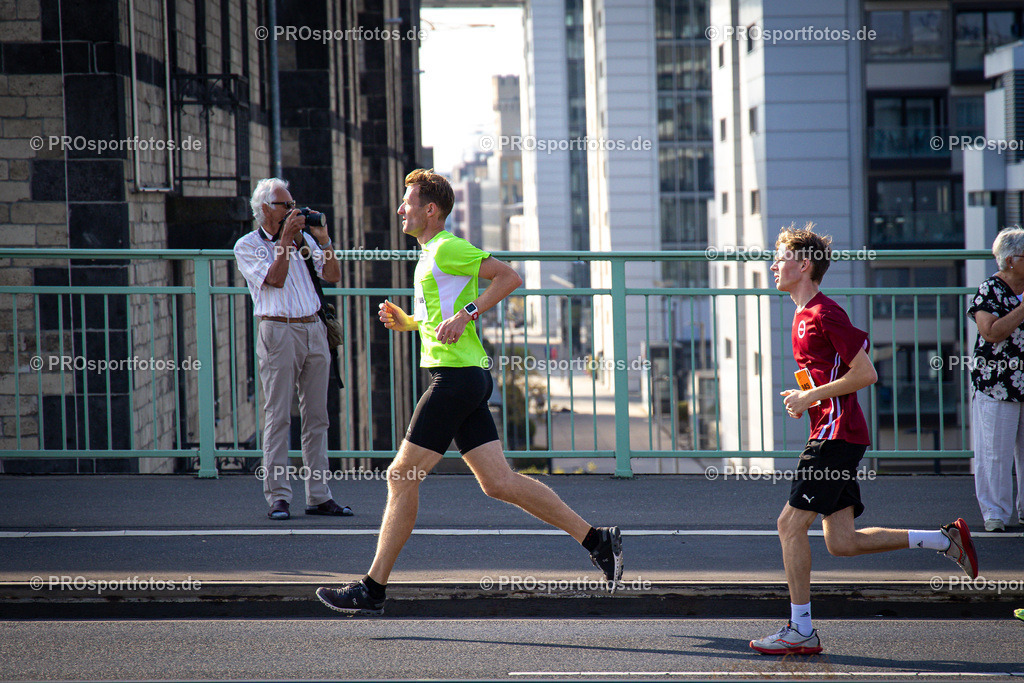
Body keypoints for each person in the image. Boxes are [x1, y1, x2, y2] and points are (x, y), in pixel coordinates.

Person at [315, 169, 622, 615]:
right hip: (466, 375)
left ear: (430, 210)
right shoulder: (428, 255)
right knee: (499, 483)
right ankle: (597, 541)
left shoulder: (447, 247)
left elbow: (509, 277)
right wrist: (410, 323)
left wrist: (468, 313)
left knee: (401, 475)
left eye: (408, 203)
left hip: (456, 379)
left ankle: (372, 589)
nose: (400, 210)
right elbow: (439, 315)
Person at [750, 223, 979, 656]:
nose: (773, 266)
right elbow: (832, 377)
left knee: (789, 525)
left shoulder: (824, 313)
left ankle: (801, 630)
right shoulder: (801, 315)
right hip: (834, 432)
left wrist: (808, 397)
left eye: (780, 258)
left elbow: (866, 373)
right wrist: (807, 399)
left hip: (835, 437)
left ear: (804, 265)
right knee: (842, 542)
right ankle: (944, 539)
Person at [234, 177, 352, 521]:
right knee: (278, 415)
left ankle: (319, 495)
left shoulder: (304, 240)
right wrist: (285, 240)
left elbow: (333, 275)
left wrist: (323, 240)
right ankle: (278, 497)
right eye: (285, 205)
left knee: (317, 417)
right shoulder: (248, 246)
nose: (293, 210)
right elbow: (275, 279)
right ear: (265, 209)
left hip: (314, 328)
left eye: (293, 204)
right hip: (278, 330)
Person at [967, 227, 1024, 532]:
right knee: (995, 453)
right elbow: (990, 332)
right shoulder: (990, 290)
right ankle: (995, 514)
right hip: (997, 382)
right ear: (1011, 260)